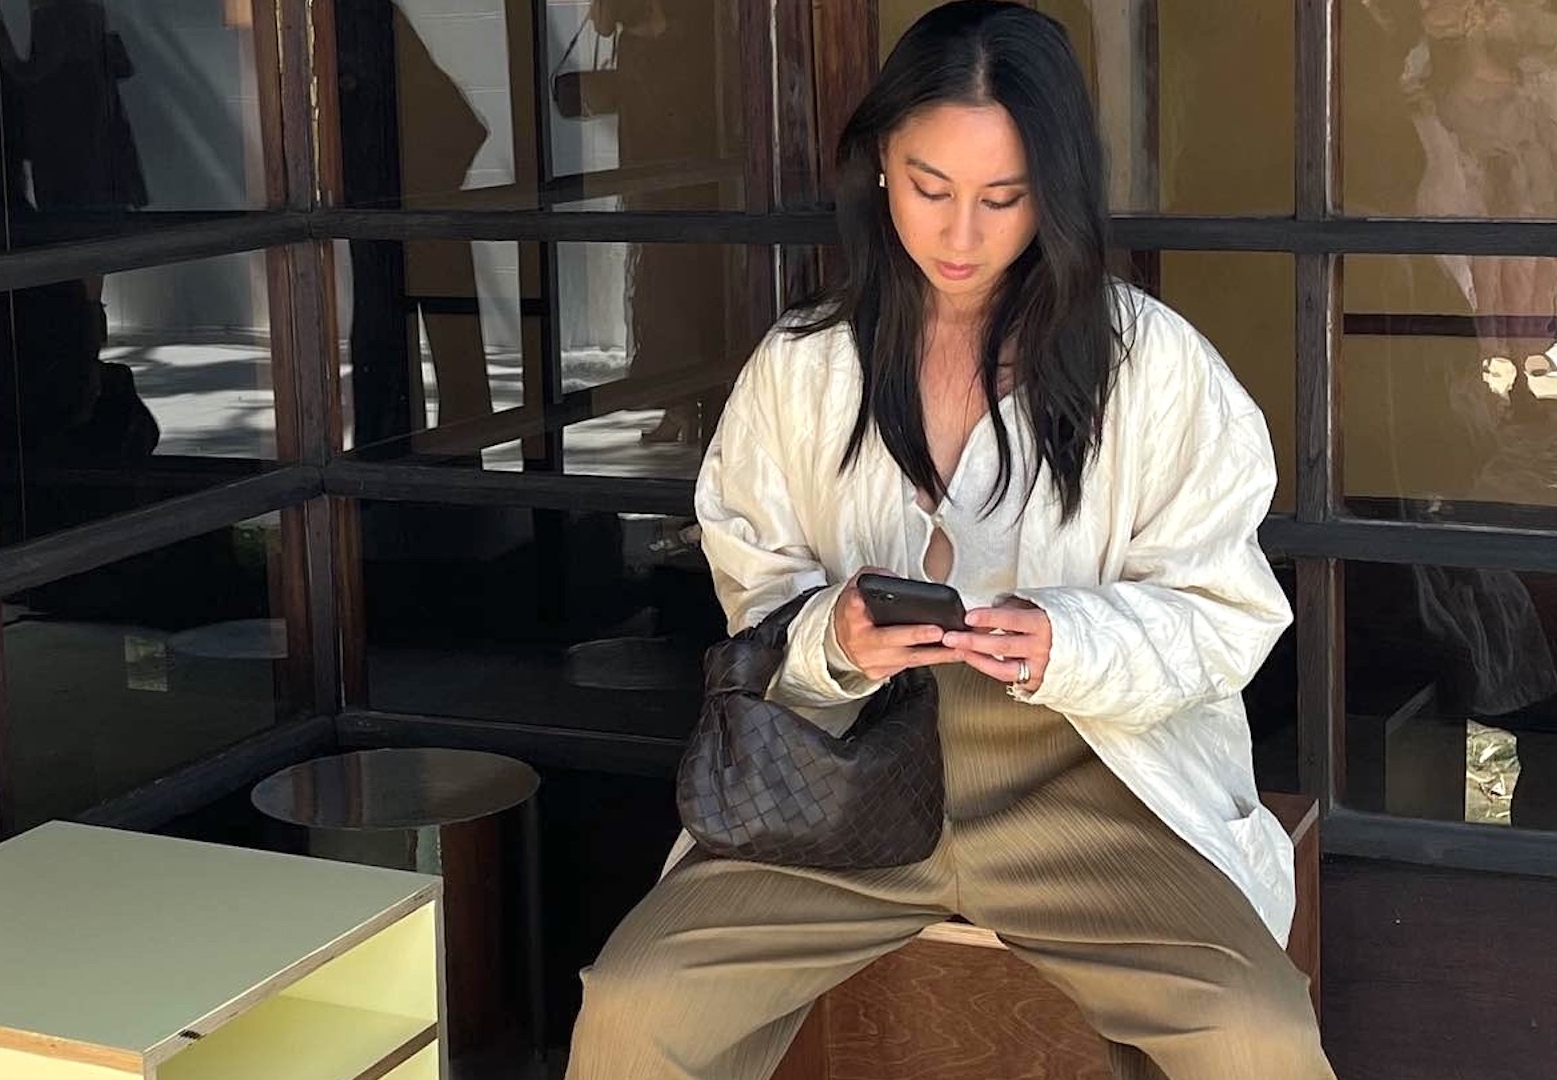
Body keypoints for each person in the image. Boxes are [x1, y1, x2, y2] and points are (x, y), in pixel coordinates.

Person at [566, 4, 1333, 1078]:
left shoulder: (1153, 367)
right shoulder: (806, 367)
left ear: (1054, 195)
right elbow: (757, 579)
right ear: (882, 160)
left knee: (1254, 1030)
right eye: (931, 188)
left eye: (1002, 199)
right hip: (849, 790)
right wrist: (836, 639)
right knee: (635, 1002)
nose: (960, 236)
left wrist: (1068, 642)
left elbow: (1229, 613)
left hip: (1088, 789)